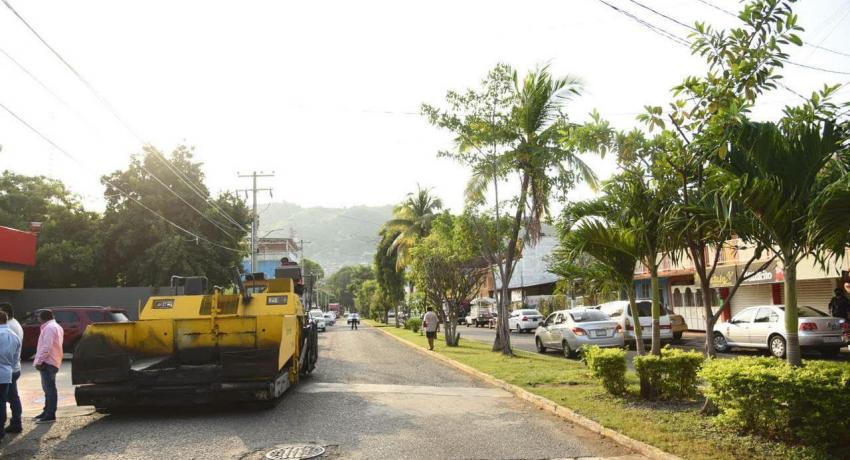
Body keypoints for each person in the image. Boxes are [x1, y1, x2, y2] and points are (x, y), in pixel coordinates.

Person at [33, 310, 63, 424]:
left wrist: (39, 361)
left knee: (49, 390)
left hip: (48, 362)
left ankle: (50, 415)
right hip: (52, 361)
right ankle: (46, 412)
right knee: (48, 389)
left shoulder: (49, 328)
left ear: (43, 317)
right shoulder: (55, 326)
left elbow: (47, 347)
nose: (37, 319)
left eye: (38, 316)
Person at [0, 303, 23, 433]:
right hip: (11, 369)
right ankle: (16, 422)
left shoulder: (11, 327)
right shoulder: (13, 328)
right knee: (9, 398)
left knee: (8, 399)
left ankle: (15, 422)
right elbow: (15, 355)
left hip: (8, 370)